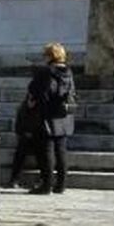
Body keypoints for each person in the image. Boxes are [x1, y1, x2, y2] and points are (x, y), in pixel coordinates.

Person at [26, 43, 76, 195]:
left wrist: (33, 102)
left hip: (46, 115)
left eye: (45, 54)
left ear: (50, 56)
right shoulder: (68, 72)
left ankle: (46, 185)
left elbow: (36, 91)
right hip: (63, 116)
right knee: (61, 151)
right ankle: (61, 185)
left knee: (46, 151)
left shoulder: (46, 72)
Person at [4, 95, 44, 189]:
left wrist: (34, 134)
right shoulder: (22, 109)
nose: (31, 103)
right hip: (26, 137)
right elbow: (18, 126)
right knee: (20, 152)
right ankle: (14, 179)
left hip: (39, 137)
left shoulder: (41, 109)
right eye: (30, 100)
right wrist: (24, 133)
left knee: (42, 154)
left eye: (33, 101)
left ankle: (42, 179)